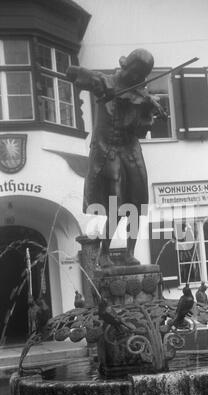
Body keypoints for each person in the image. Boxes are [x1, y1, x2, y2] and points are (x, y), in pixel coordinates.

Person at [67, 49, 165, 268]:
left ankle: (130, 252)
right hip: (108, 148)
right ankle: (104, 252)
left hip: (130, 149)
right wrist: (84, 77)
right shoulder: (106, 83)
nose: (136, 79)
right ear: (125, 66)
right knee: (116, 203)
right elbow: (80, 77)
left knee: (137, 201)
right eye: (134, 73)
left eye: (141, 76)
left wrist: (149, 111)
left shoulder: (141, 95)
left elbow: (139, 131)